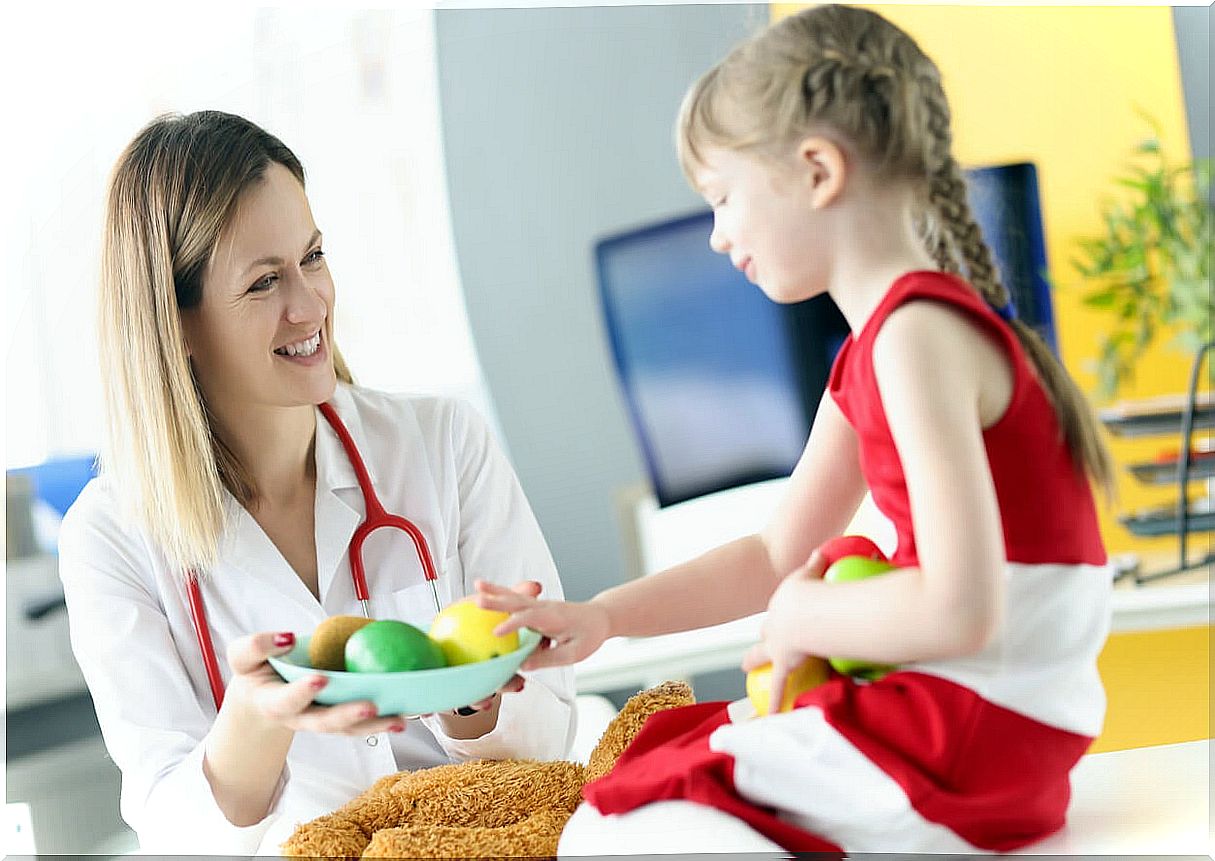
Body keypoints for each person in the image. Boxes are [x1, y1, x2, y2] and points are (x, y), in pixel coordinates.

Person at [477, 5, 1115, 854]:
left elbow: (959, 608)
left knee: (612, 831)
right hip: (978, 716)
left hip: (972, 728)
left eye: (723, 196)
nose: (716, 234)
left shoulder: (914, 337)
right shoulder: (882, 345)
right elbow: (774, 555)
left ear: (816, 170)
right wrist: (599, 616)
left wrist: (802, 617)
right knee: (645, 766)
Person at [56, 110, 575, 855]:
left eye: (314, 257)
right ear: (179, 325)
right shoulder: (111, 537)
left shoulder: (440, 443)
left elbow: (548, 734)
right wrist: (258, 719)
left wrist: (471, 689)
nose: (311, 305)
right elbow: (171, 829)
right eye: (265, 282)